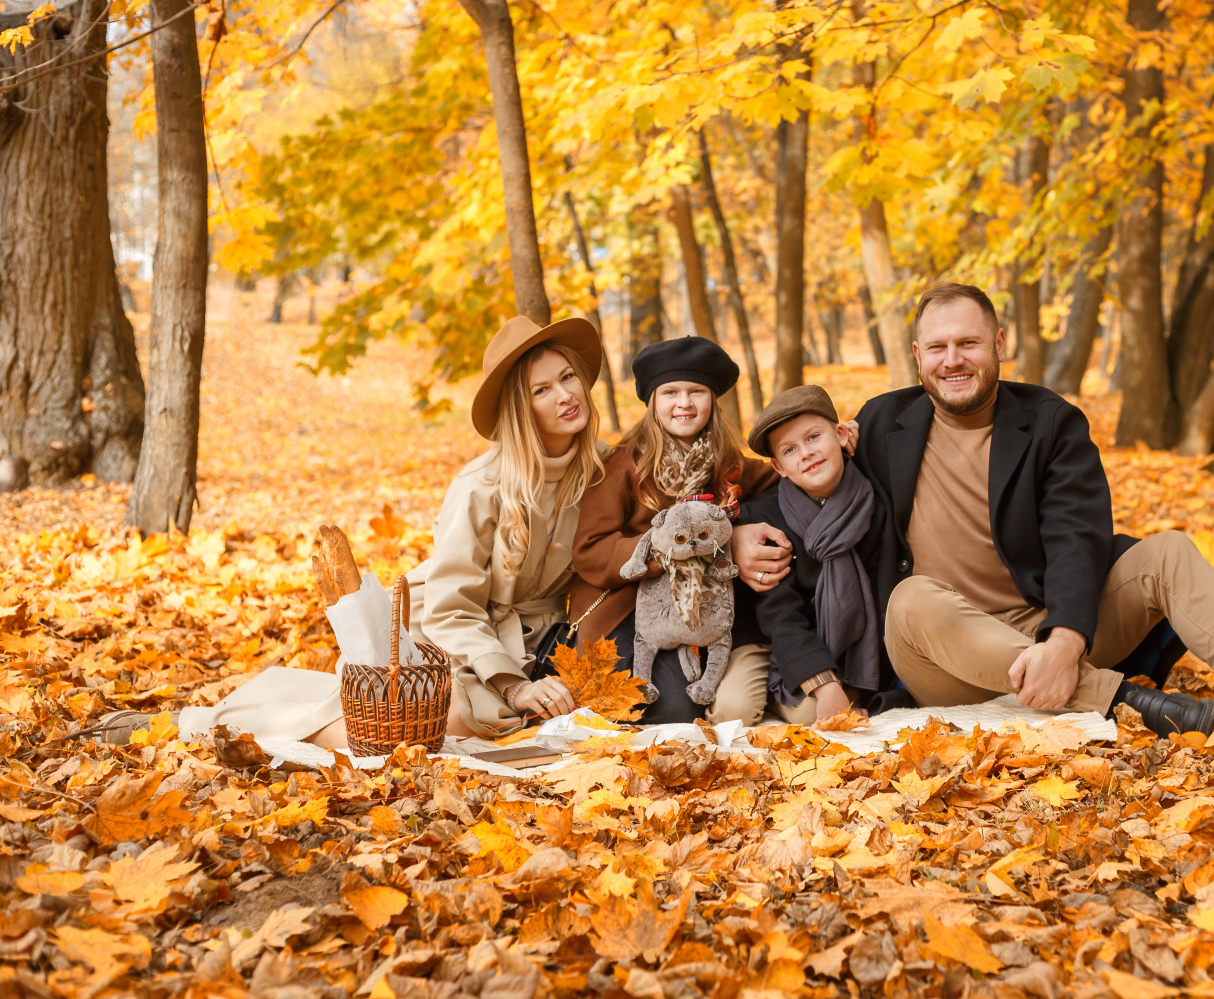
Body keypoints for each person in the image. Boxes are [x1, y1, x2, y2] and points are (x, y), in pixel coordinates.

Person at [850, 283, 1214, 739]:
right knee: (910, 598)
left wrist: (1064, 640)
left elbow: (1077, 534)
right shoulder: (880, 424)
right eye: (938, 347)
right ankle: (1122, 698)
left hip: (1045, 629)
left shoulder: (1049, 421)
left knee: (1168, 552)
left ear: (998, 343)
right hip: (943, 659)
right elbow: (786, 473)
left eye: (968, 343)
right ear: (918, 355)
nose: (954, 360)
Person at [97, 316, 610, 748]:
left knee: (508, 728)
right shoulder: (481, 486)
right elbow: (455, 607)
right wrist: (511, 683)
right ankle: (197, 725)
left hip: (535, 643)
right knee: (438, 728)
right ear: (523, 409)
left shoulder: (602, 470)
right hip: (451, 636)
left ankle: (306, 703)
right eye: (543, 389)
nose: (566, 395)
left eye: (568, 377)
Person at [571, 336, 786, 724]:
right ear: (653, 401)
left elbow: (782, 479)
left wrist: (839, 439)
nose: (684, 403)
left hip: (699, 613)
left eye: (696, 391)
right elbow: (590, 550)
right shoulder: (624, 465)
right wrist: (660, 549)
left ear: (712, 400)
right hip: (630, 611)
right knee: (666, 708)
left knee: (690, 701)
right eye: (670, 392)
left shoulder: (727, 463)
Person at [739, 385, 911, 723]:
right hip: (798, 643)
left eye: (814, 437)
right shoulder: (768, 520)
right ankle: (797, 686)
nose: (806, 453)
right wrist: (822, 681)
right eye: (790, 450)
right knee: (780, 712)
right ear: (779, 468)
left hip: (868, 648)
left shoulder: (879, 497)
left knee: (826, 711)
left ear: (842, 434)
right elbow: (780, 614)